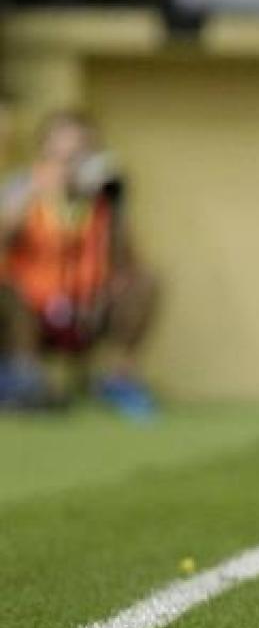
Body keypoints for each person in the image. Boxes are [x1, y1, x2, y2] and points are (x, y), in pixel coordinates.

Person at [0, 111, 159, 417]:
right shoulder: (23, 187)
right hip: (31, 312)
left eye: (80, 153)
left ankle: (119, 377)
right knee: (8, 292)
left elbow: (127, 258)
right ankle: (27, 379)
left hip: (86, 309)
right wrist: (35, 192)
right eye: (61, 154)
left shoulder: (101, 196)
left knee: (145, 282)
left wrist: (114, 201)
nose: (70, 163)